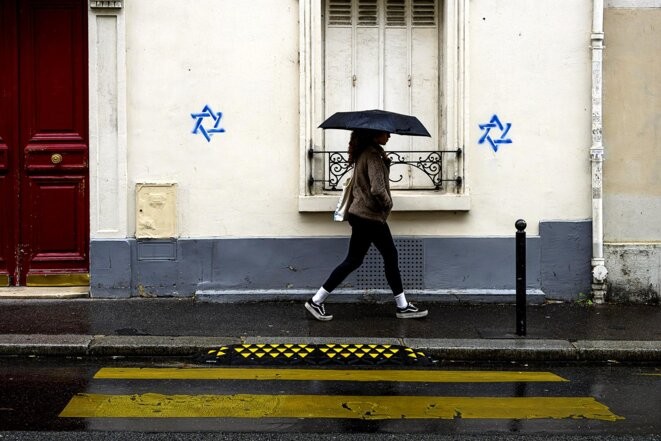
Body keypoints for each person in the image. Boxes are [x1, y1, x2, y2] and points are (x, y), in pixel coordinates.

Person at [305, 129, 428, 321]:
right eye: (386, 133)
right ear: (374, 135)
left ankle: (317, 300)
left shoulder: (367, 153)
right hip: (370, 217)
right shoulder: (372, 155)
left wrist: (384, 162)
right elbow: (377, 189)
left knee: (354, 260)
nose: (389, 136)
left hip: (361, 215)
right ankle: (402, 307)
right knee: (389, 255)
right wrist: (388, 204)